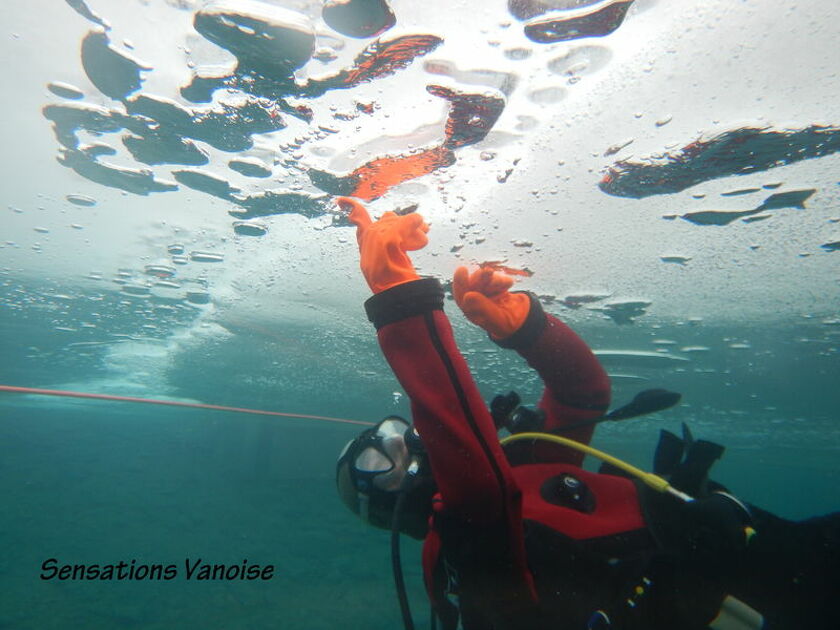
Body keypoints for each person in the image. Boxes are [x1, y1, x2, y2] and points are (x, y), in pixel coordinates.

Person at [334, 197, 838, 630]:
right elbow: (474, 476)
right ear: (384, 508)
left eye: (393, 433)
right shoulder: (466, 555)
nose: (401, 442)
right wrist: (399, 298)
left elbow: (582, 396)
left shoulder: (521, 468)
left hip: (783, 548)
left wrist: (530, 333)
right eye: (378, 463)